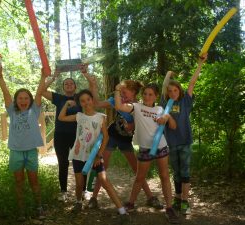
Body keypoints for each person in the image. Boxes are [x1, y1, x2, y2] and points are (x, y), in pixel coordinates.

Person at [86, 79, 163, 210]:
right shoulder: (116, 100)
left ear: (133, 92)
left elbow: (141, 125)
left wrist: (132, 126)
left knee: (136, 169)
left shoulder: (139, 106)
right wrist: (93, 85)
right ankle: (93, 198)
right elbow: (97, 103)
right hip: (111, 136)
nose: (122, 94)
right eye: (120, 92)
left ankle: (150, 197)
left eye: (124, 92)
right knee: (103, 165)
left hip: (126, 140)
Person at [115, 83, 179, 224]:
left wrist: (167, 117)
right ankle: (131, 204)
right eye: (145, 94)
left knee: (164, 176)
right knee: (140, 177)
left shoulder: (161, 109)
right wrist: (118, 90)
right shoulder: (136, 107)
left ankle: (169, 208)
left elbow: (173, 126)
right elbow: (119, 107)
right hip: (145, 148)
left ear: (155, 96)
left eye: (150, 94)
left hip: (161, 147)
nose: (147, 97)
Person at [58, 89, 127, 215]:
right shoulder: (79, 116)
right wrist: (67, 104)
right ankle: (78, 202)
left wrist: (99, 154)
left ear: (92, 100)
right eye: (82, 101)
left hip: (95, 155)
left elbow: (105, 137)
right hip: (78, 154)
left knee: (104, 181)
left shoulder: (100, 118)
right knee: (79, 184)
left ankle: (122, 211)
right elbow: (61, 117)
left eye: (88, 100)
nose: (86, 103)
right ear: (80, 103)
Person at [0, 66, 48, 221]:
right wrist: (0, 77)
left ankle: (38, 207)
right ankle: (21, 210)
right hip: (16, 151)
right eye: (20, 98)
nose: (23, 101)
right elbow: (5, 93)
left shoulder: (34, 110)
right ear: (16, 101)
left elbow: (39, 92)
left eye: (26, 98)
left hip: (31, 151)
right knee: (19, 181)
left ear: (30, 100)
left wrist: (43, 77)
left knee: (34, 180)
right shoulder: (12, 110)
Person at [161, 54, 208, 215]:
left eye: (176, 90)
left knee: (185, 171)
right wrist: (168, 74)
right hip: (171, 143)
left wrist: (200, 64)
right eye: (170, 91)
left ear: (179, 91)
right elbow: (164, 87)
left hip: (185, 141)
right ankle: (177, 197)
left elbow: (192, 83)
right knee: (176, 171)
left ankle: (185, 201)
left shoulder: (185, 102)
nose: (173, 93)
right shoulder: (166, 103)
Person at [42, 66, 93, 201]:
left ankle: (84, 190)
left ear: (75, 86)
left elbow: (93, 88)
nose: (69, 85)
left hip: (78, 135)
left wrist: (85, 73)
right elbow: (41, 91)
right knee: (63, 163)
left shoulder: (81, 98)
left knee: (82, 161)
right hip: (60, 135)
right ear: (63, 87)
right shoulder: (58, 98)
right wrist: (53, 77)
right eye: (66, 83)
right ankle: (63, 191)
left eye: (71, 83)